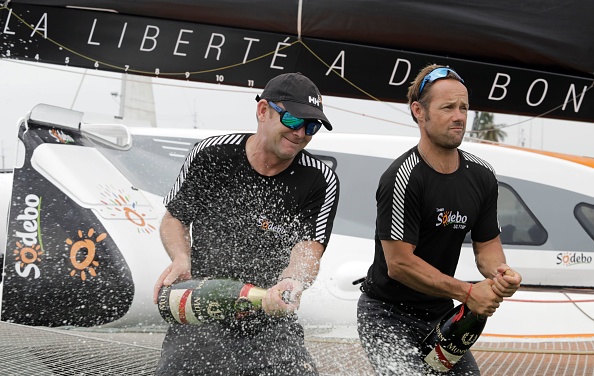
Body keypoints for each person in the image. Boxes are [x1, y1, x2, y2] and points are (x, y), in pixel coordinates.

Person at [152, 72, 340, 375]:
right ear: (263, 111)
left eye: (312, 126)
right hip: (203, 307)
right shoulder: (213, 155)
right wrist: (180, 258)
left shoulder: (319, 179)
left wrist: (293, 282)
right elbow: (175, 218)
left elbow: (308, 250)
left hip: (270, 314)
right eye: (293, 120)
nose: (301, 132)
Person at [357, 64, 522, 375]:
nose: (459, 116)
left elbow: (487, 248)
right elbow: (400, 264)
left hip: (441, 315)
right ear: (419, 112)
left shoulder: (482, 176)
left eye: (464, 107)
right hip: (388, 316)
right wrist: (468, 292)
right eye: (448, 107)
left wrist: (501, 274)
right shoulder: (403, 178)